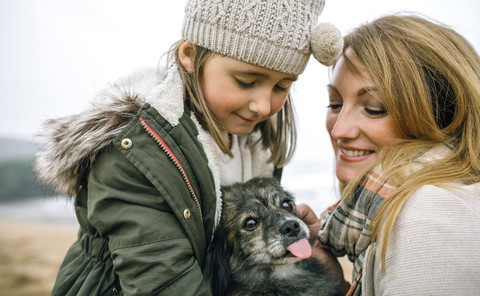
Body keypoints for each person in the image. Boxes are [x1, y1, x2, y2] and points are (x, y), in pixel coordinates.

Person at [33, 0, 342, 295]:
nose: (263, 106)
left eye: (281, 86)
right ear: (190, 54)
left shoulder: (254, 139)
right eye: (246, 82)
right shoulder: (136, 154)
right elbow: (164, 283)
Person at [301, 13, 480, 295]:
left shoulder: (426, 218)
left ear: (443, 117)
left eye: (374, 108)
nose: (339, 131)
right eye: (334, 104)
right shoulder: (396, 207)